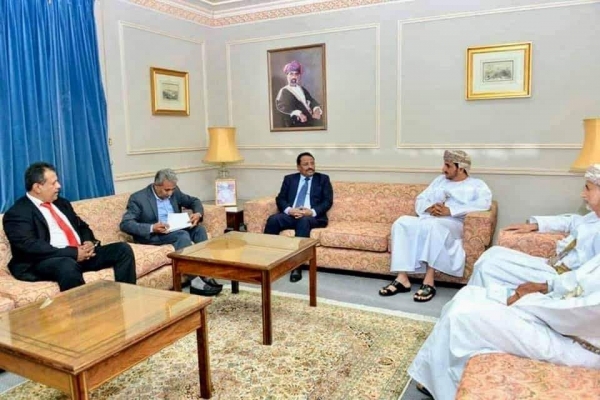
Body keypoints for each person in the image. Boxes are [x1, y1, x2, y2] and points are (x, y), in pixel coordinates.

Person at [408, 252, 600, 400]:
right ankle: (436, 378)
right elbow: (578, 279)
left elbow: (582, 312)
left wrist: (525, 300)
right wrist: (546, 287)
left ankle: (446, 390)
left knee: (462, 316)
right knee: (468, 294)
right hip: (556, 316)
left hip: (578, 343)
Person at [3, 162, 137, 292]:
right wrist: (73, 253)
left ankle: (126, 299)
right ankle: (83, 308)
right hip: (43, 261)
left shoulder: (61, 203)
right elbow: (31, 246)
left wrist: (88, 242)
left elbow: (82, 226)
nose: (59, 186)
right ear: (37, 187)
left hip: (80, 255)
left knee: (122, 249)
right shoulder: (17, 213)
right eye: (53, 183)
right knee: (66, 264)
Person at [379, 150, 492, 302]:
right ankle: (402, 278)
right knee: (401, 222)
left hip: (454, 223)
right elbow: (421, 199)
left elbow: (484, 204)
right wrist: (429, 208)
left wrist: (451, 210)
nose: (443, 169)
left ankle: (429, 281)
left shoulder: (477, 185)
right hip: (430, 218)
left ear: (460, 168)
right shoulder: (439, 181)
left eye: (448, 165)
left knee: (434, 226)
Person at [469, 163, 600, 290]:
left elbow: (589, 278)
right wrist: (536, 225)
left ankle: (474, 300)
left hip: (560, 279)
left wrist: (551, 286)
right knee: (493, 253)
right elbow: (572, 221)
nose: (583, 194)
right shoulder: (593, 217)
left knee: (488, 267)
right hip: (552, 265)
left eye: (588, 188)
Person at [120, 168, 222, 296]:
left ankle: (205, 273)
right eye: (166, 190)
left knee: (199, 230)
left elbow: (194, 201)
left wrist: (197, 213)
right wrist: (152, 227)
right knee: (182, 236)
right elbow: (125, 224)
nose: (170, 193)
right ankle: (195, 281)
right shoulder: (138, 198)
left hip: (175, 227)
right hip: (155, 234)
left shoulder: (174, 191)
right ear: (156, 185)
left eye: (172, 189)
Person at [264, 152, 333, 282]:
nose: (310, 166)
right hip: (292, 214)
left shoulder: (323, 179)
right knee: (273, 219)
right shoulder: (290, 179)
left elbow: (327, 201)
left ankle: (296, 266)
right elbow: (280, 199)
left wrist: (311, 212)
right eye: (306, 164)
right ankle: (267, 260)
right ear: (298, 167)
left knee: (303, 221)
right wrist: (290, 210)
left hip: (312, 217)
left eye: (312, 163)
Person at [275, 60, 324, 128]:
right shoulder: (284, 91)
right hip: (298, 122)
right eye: (291, 74)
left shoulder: (302, 89)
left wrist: (316, 110)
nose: (294, 77)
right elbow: (282, 107)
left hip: (312, 119)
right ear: (287, 75)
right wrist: (298, 113)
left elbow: (311, 100)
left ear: (299, 76)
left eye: (296, 74)